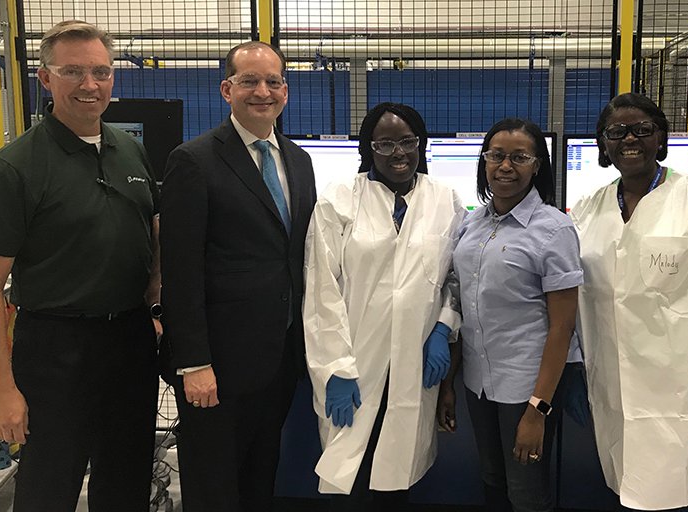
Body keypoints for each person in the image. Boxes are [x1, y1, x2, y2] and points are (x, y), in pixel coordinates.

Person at [0, 20, 161, 511]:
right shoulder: (15, 167)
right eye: (73, 71)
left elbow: (150, 235)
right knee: (50, 484)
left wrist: (156, 303)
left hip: (129, 344)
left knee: (126, 478)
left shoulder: (130, 150)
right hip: (54, 349)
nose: (90, 85)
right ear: (45, 78)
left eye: (101, 71)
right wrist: (3, 390)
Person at [569, 92, 688, 510]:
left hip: (676, 381)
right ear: (603, 143)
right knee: (624, 483)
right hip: (610, 379)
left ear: (661, 138)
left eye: (643, 129)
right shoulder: (587, 208)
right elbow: (573, 292)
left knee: (670, 490)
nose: (629, 139)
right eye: (616, 132)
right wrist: (572, 365)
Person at [158, 41, 317, 511]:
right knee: (213, 487)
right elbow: (180, 271)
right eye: (249, 80)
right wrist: (194, 363)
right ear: (227, 89)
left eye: (273, 81)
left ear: (285, 92)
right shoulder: (194, 161)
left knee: (259, 478)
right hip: (218, 368)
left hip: (279, 358)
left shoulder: (299, 161)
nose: (262, 91)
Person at [303, 102, 466, 511]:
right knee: (351, 481)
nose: (399, 153)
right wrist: (335, 369)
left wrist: (444, 328)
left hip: (413, 364)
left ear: (421, 144)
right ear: (368, 148)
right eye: (386, 143)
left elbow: (456, 276)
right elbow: (322, 290)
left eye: (408, 142)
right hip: (354, 365)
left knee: (395, 482)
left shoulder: (445, 200)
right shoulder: (338, 202)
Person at [449, 118, 581, 512]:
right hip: (478, 383)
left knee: (526, 492)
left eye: (520, 157)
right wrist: (449, 384)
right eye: (496, 156)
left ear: (537, 165)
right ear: (484, 161)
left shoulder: (554, 230)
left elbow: (563, 327)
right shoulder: (472, 222)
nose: (506, 166)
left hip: (525, 389)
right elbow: (463, 303)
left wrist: (537, 410)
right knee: (492, 478)